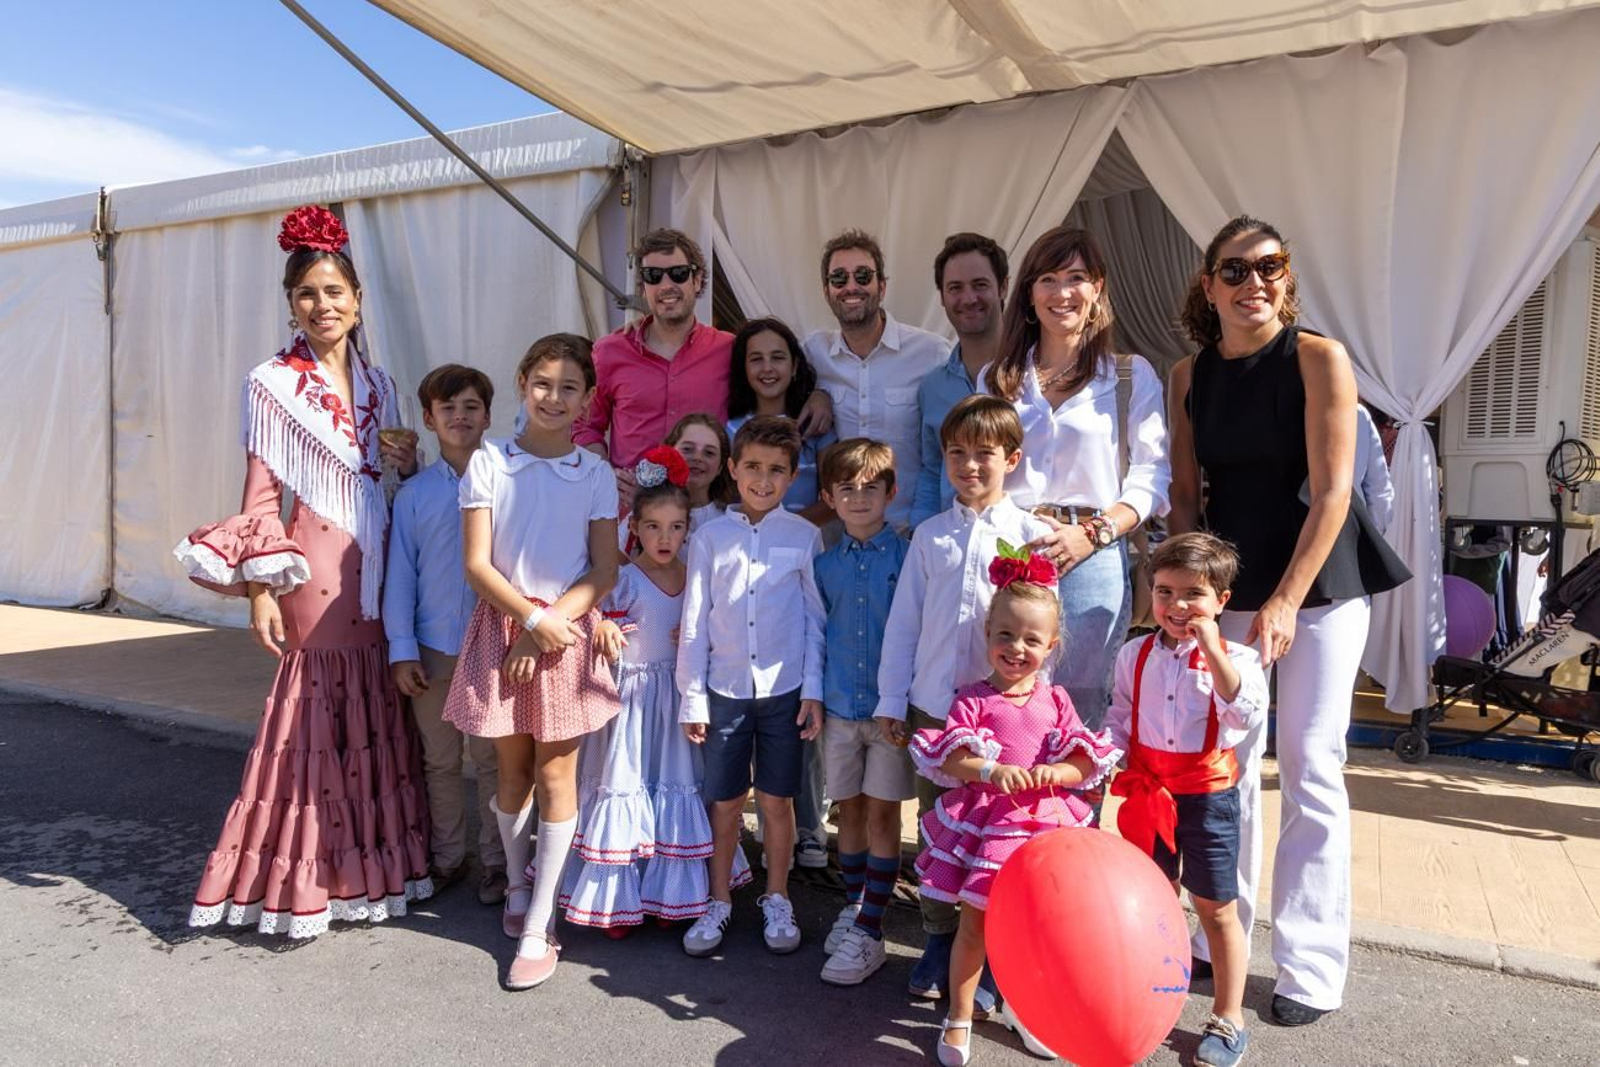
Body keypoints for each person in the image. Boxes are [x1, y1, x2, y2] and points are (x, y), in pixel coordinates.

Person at [1167, 215, 1409, 1026]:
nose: (1253, 283)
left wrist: (1284, 601)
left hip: (1323, 584)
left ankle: (1309, 963)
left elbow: (1336, 492)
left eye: (1269, 266)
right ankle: (1218, 929)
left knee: (1309, 763)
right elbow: (1186, 498)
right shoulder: (1187, 376)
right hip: (1231, 585)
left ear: (1287, 275)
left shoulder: (1317, 358)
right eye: (1234, 271)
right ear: (1210, 285)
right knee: (1223, 765)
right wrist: (1181, 594)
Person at [174, 204, 432, 937]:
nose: (323, 305)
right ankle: (308, 874)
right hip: (312, 568)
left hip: (379, 567)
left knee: (377, 712)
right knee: (316, 714)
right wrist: (260, 587)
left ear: (358, 301)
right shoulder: (271, 382)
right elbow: (260, 494)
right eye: (307, 294)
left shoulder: (381, 384)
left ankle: (373, 873)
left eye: (335, 292)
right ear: (292, 303)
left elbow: (380, 474)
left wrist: (403, 461)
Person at [442, 333, 622, 991]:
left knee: (556, 771)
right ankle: (518, 885)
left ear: (587, 398)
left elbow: (604, 567)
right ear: (522, 383)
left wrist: (553, 622)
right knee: (510, 769)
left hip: (566, 635)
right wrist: (529, 619)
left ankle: (542, 921)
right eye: (543, 382)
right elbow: (475, 562)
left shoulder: (595, 472)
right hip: (508, 626)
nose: (554, 396)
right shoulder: (489, 463)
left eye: (569, 386)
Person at [875, 394, 1052, 1002]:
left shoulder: (1031, 535)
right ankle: (939, 939)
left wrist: (1040, 705)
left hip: (1003, 718)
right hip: (934, 708)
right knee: (938, 828)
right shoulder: (929, 536)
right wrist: (893, 701)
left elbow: (1043, 624)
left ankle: (999, 950)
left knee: (998, 835)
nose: (970, 466)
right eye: (957, 454)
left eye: (985, 454)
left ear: (1013, 458)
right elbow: (903, 624)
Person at [910, 557, 1120, 1066]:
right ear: (987, 633)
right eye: (1005, 634)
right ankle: (959, 1016)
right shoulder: (973, 700)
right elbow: (953, 757)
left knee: (1032, 932)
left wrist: (1057, 774)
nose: (1016, 648)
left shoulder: (1057, 700)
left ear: (1052, 646)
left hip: (1043, 831)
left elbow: (1082, 760)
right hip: (987, 829)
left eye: (1031, 640)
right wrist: (990, 770)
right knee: (976, 927)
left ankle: (1022, 1009)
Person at [984, 225, 1172, 732]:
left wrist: (1094, 534)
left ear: (1097, 291)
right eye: (1047, 278)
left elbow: (1153, 476)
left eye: (1076, 277)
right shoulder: (996, 379)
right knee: (1009, 696)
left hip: (1095, 550)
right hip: (1012, 548)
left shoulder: (1131, 376)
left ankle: (1075, 813)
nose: (1062, 292)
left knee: (1084, 707)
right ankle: (1013, 813)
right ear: (1028, 293)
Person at [1107, 533, 1269, 1067]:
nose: (1177, 607)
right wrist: (1098, 762)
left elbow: (1243, 715)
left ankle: (1229, 1014)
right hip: (1149, 792)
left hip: (1207, 797)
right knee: (1153, 899)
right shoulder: (1134, 653)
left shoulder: (1239, 657)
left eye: (1193, 594)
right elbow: (1118, 719)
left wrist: (1212, 650)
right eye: (1164, 592)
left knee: (1217, 909)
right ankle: (1152, 998)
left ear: (1221, 600)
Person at [676, 416, 826, 957]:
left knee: (777, 799)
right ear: (734, 469)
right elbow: (695, 621)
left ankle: (777, 894)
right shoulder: (710, 538)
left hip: (784, 691)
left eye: (777, 471)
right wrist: (693, 695)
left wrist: (812, 690)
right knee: (724, 800)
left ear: (791, 478)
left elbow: (814, 621)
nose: (764, 480)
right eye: (754, 467)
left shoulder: (805, 537)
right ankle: (718, 899)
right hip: (725, 691)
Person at [561, 447, 717, 933]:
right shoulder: (622, 578)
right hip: (629, 706)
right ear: (636, 528)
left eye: (675, 527)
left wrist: (700, 636)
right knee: (625, 786)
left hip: (674, 703)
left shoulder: (696, 581)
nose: (664, 538)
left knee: (670, 787)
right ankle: (614, 899)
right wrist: (600, 624)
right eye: (653, 526)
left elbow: (717, 630)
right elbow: (585, 612)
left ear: (688, 530)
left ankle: (669, 893)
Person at [576, 229, 830, 513]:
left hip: (707, 517)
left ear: (697, 281)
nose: (666, 285)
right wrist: (606, 475)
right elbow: (585, 424)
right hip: (629, 513)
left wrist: (819, 394)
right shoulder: (610, 351)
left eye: (679, 273)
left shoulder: (730, 349)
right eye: (653, 276)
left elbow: (775, 374)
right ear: (642, 288)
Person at [384, 363, 506, 905]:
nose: (460, 416)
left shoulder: (508, 482)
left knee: (491, 759)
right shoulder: (414, 496)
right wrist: (402, 650)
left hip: (492, 647)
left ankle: (499, 863)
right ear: (429, 420)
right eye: (447, 408)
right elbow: (400, 578)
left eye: (470, 406)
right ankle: (448, 856)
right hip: (432, 649)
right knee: (438, 758)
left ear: (487, 415)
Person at [812, 439, 912, 986]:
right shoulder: (824, 564)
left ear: (890, 493)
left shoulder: (906, 557)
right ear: (828, 496)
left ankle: (872, 920)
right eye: (846, 489)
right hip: (838, 709)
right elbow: (815, 634)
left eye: (870, 487)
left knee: (882, 814)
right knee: (847, 810)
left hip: (887, 713)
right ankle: (855, 907)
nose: (858, 498)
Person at [805, 229, 951, 533]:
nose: (851, 286)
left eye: (863, 276)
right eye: (839, 279)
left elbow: (947, 447)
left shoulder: (931, 353)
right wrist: (817, 392)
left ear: (881, 287)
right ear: (826, 291)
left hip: (909, 533)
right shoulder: (813, 354)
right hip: (840, 541)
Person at [912, 233, 1009, 528]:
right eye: (955, 288)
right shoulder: (932, 388)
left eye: (980, 285)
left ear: (1003, 287)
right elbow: (931, 470)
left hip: (1020, 553)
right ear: (941, 297)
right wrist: (920, 532)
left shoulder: (1036, 374)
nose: (968, 299)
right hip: (951, 549)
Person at [726, 316, 837, 525]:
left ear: (794, 366)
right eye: (756, 359)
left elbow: (834, 497)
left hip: (800, 548)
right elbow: (725, 498)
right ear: (743, 368)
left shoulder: (814, 425)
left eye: (777, 357)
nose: (767, 367)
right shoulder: (730, 429)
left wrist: (783, 530)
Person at [666, 413, 735, 540]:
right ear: (669, 453)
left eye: (709, 453)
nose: (697, 458)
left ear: (721, 467)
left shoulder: (730, 523)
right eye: (687, 449)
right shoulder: (646, 509)